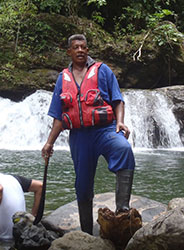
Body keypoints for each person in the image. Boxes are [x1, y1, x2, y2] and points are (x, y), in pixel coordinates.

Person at [42, 34, 135, 235]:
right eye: (76, 47)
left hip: (105, 130)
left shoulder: (103, 71)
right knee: (82, 185)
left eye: (83, 47)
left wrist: (120, 122)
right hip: (79, 137)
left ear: (87, 50)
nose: (80, 50)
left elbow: (118, 100)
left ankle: (122, 210)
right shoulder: (62, 78)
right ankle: (86, 233)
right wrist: (49, 143)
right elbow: (59, 116)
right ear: (69, 51)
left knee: (124, 149)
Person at [0, 173, 43, 240]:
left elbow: (0, 188)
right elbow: (40, 186)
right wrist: (32, 217)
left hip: (5, 240)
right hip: (24, 233)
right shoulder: (12, 179)